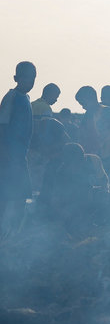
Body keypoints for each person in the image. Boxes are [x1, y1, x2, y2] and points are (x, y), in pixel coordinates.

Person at [0, 61, 37, 232]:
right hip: (9, 156)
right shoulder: (12, 97)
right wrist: (6, 153)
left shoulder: (26, 99)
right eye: (26, 78)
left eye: (32, 79)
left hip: (19, 155)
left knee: (21, 194)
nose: (29, 83)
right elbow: (2, 125)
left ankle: (14, 231)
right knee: (9, 195)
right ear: (16, 78)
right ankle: (7, 230)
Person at [75, 86, 110, 182]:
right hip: (100, 157)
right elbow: (82, 134)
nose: (83, 107)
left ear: (89, 99)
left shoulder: (106, 111)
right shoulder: (88, 115)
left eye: (83, 103)